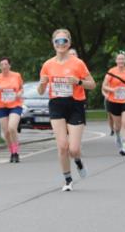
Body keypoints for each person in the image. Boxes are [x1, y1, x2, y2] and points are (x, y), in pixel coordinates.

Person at [38, 29, 96, 191]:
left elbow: (92, 84)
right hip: (56, 104)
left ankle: (77, 161)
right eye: (58, 41)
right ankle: (68, 179)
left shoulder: (78, 63)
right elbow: (41, 91)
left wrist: (78, 81)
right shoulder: (48, 65)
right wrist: (42, 83)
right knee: (62, 146)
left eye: (64, 41)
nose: (61, 44)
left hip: (75, 104)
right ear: (53, 44)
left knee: (74, 148)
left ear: (69, 43)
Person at [102, 51, 125, 157]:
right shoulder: (111, 71)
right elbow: (104, 86)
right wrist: (113, 89)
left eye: (123, 59)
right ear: (116, 61)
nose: (121, 61)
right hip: (114, 101)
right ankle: (117, 135)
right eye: (119, 59)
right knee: (117, 126)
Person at [0, 57, 23, 162]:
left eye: (6, 64)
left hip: (15, 105)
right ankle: (12, 152)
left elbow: (21, 88)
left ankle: (16, 152)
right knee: (6, 132)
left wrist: (19, 93)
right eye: (1, 65)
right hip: (2, 106)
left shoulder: (16, 75)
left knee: (12, 128)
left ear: (9, 65)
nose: (4, 66)